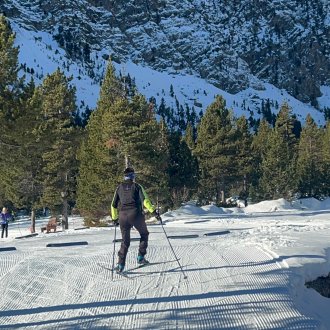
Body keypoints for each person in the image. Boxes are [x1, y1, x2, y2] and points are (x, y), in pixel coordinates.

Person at [111, 167, 160, 273]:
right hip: (136, 215)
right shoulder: (137, 186)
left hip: (123, 216)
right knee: (144, 234)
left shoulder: (119, 187)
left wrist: (114, 218)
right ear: (133, 176)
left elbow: (113, 205)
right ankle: (141, 257)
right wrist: (154, 212)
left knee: (125, 241)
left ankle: (120, 264)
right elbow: (146, 201)